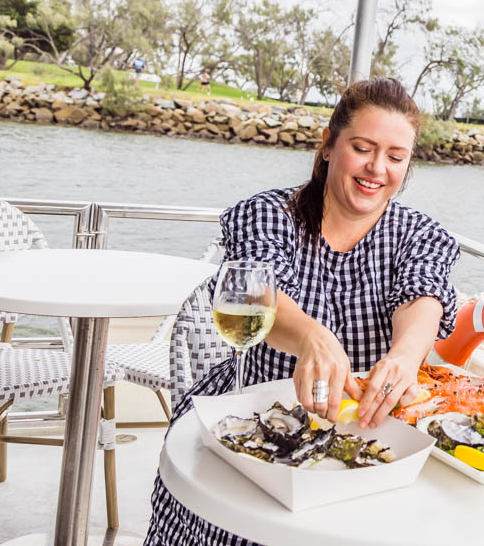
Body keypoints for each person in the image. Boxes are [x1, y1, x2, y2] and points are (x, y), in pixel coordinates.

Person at [145, 77, 459, 546]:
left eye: (395, 157)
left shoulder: (419, 234)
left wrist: (406, 357)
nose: (377, 168)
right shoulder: (269, 214)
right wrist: (313, 338)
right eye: (362, 147)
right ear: (329, 146)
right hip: (254, 417)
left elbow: (423, 299)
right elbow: (259, 294)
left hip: (362, 436)